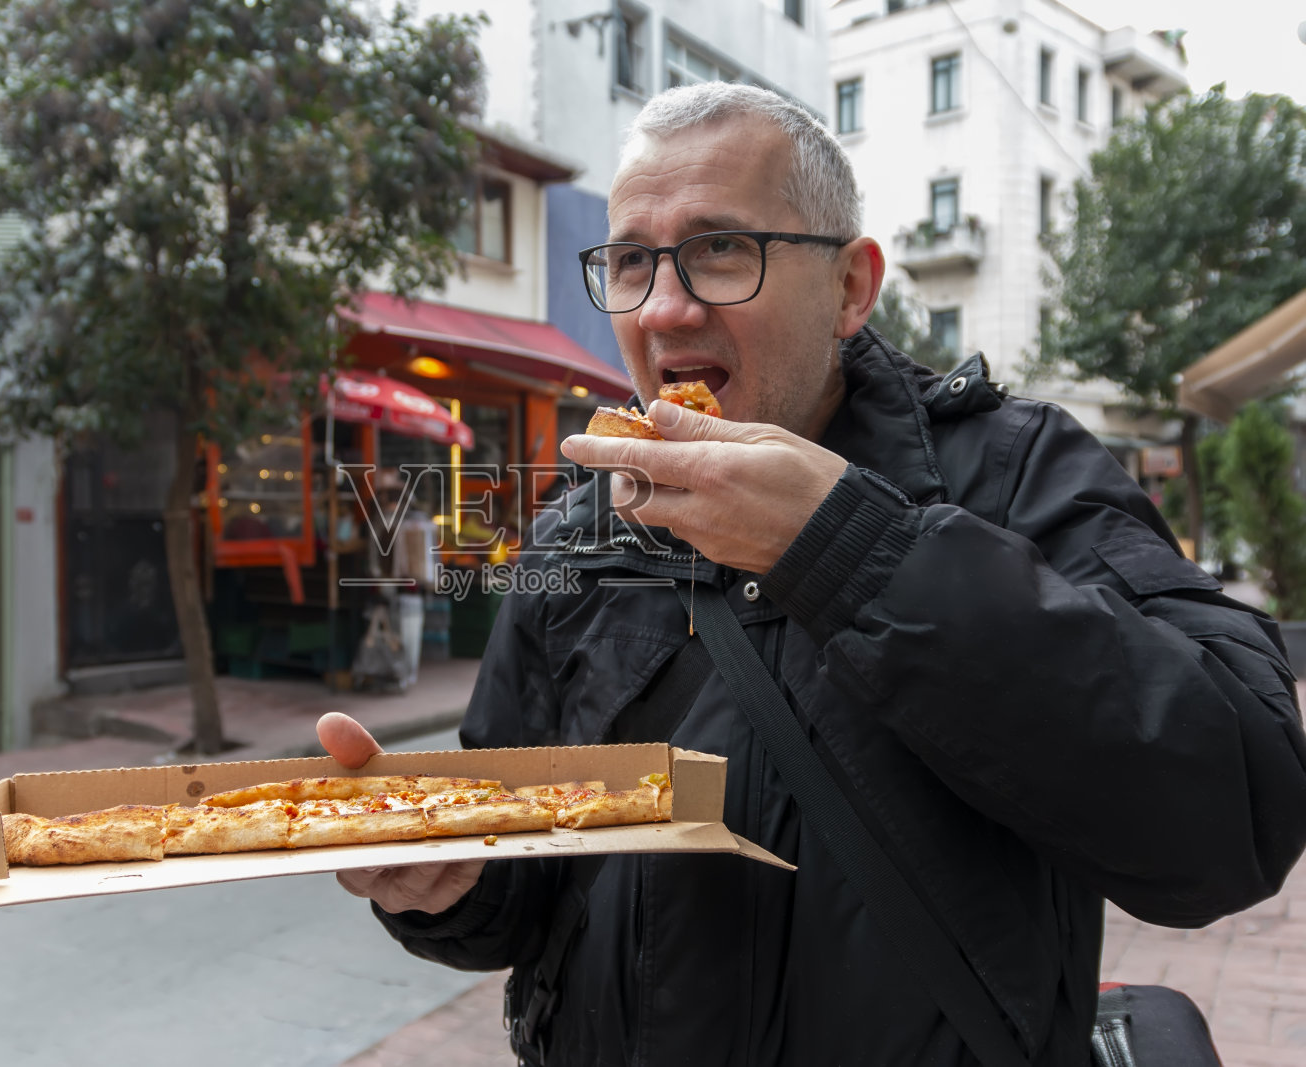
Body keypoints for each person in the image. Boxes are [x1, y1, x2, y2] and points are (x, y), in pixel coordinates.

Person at [316, 81, 1306, 1065]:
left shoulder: (1011, 469)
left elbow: (1235, 813)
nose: (663, 308)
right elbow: (529, 884)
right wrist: (450, 878)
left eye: (716, 249)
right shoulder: (579, 530)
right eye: (628, 261)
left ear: (849, 286)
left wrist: (846, 549)